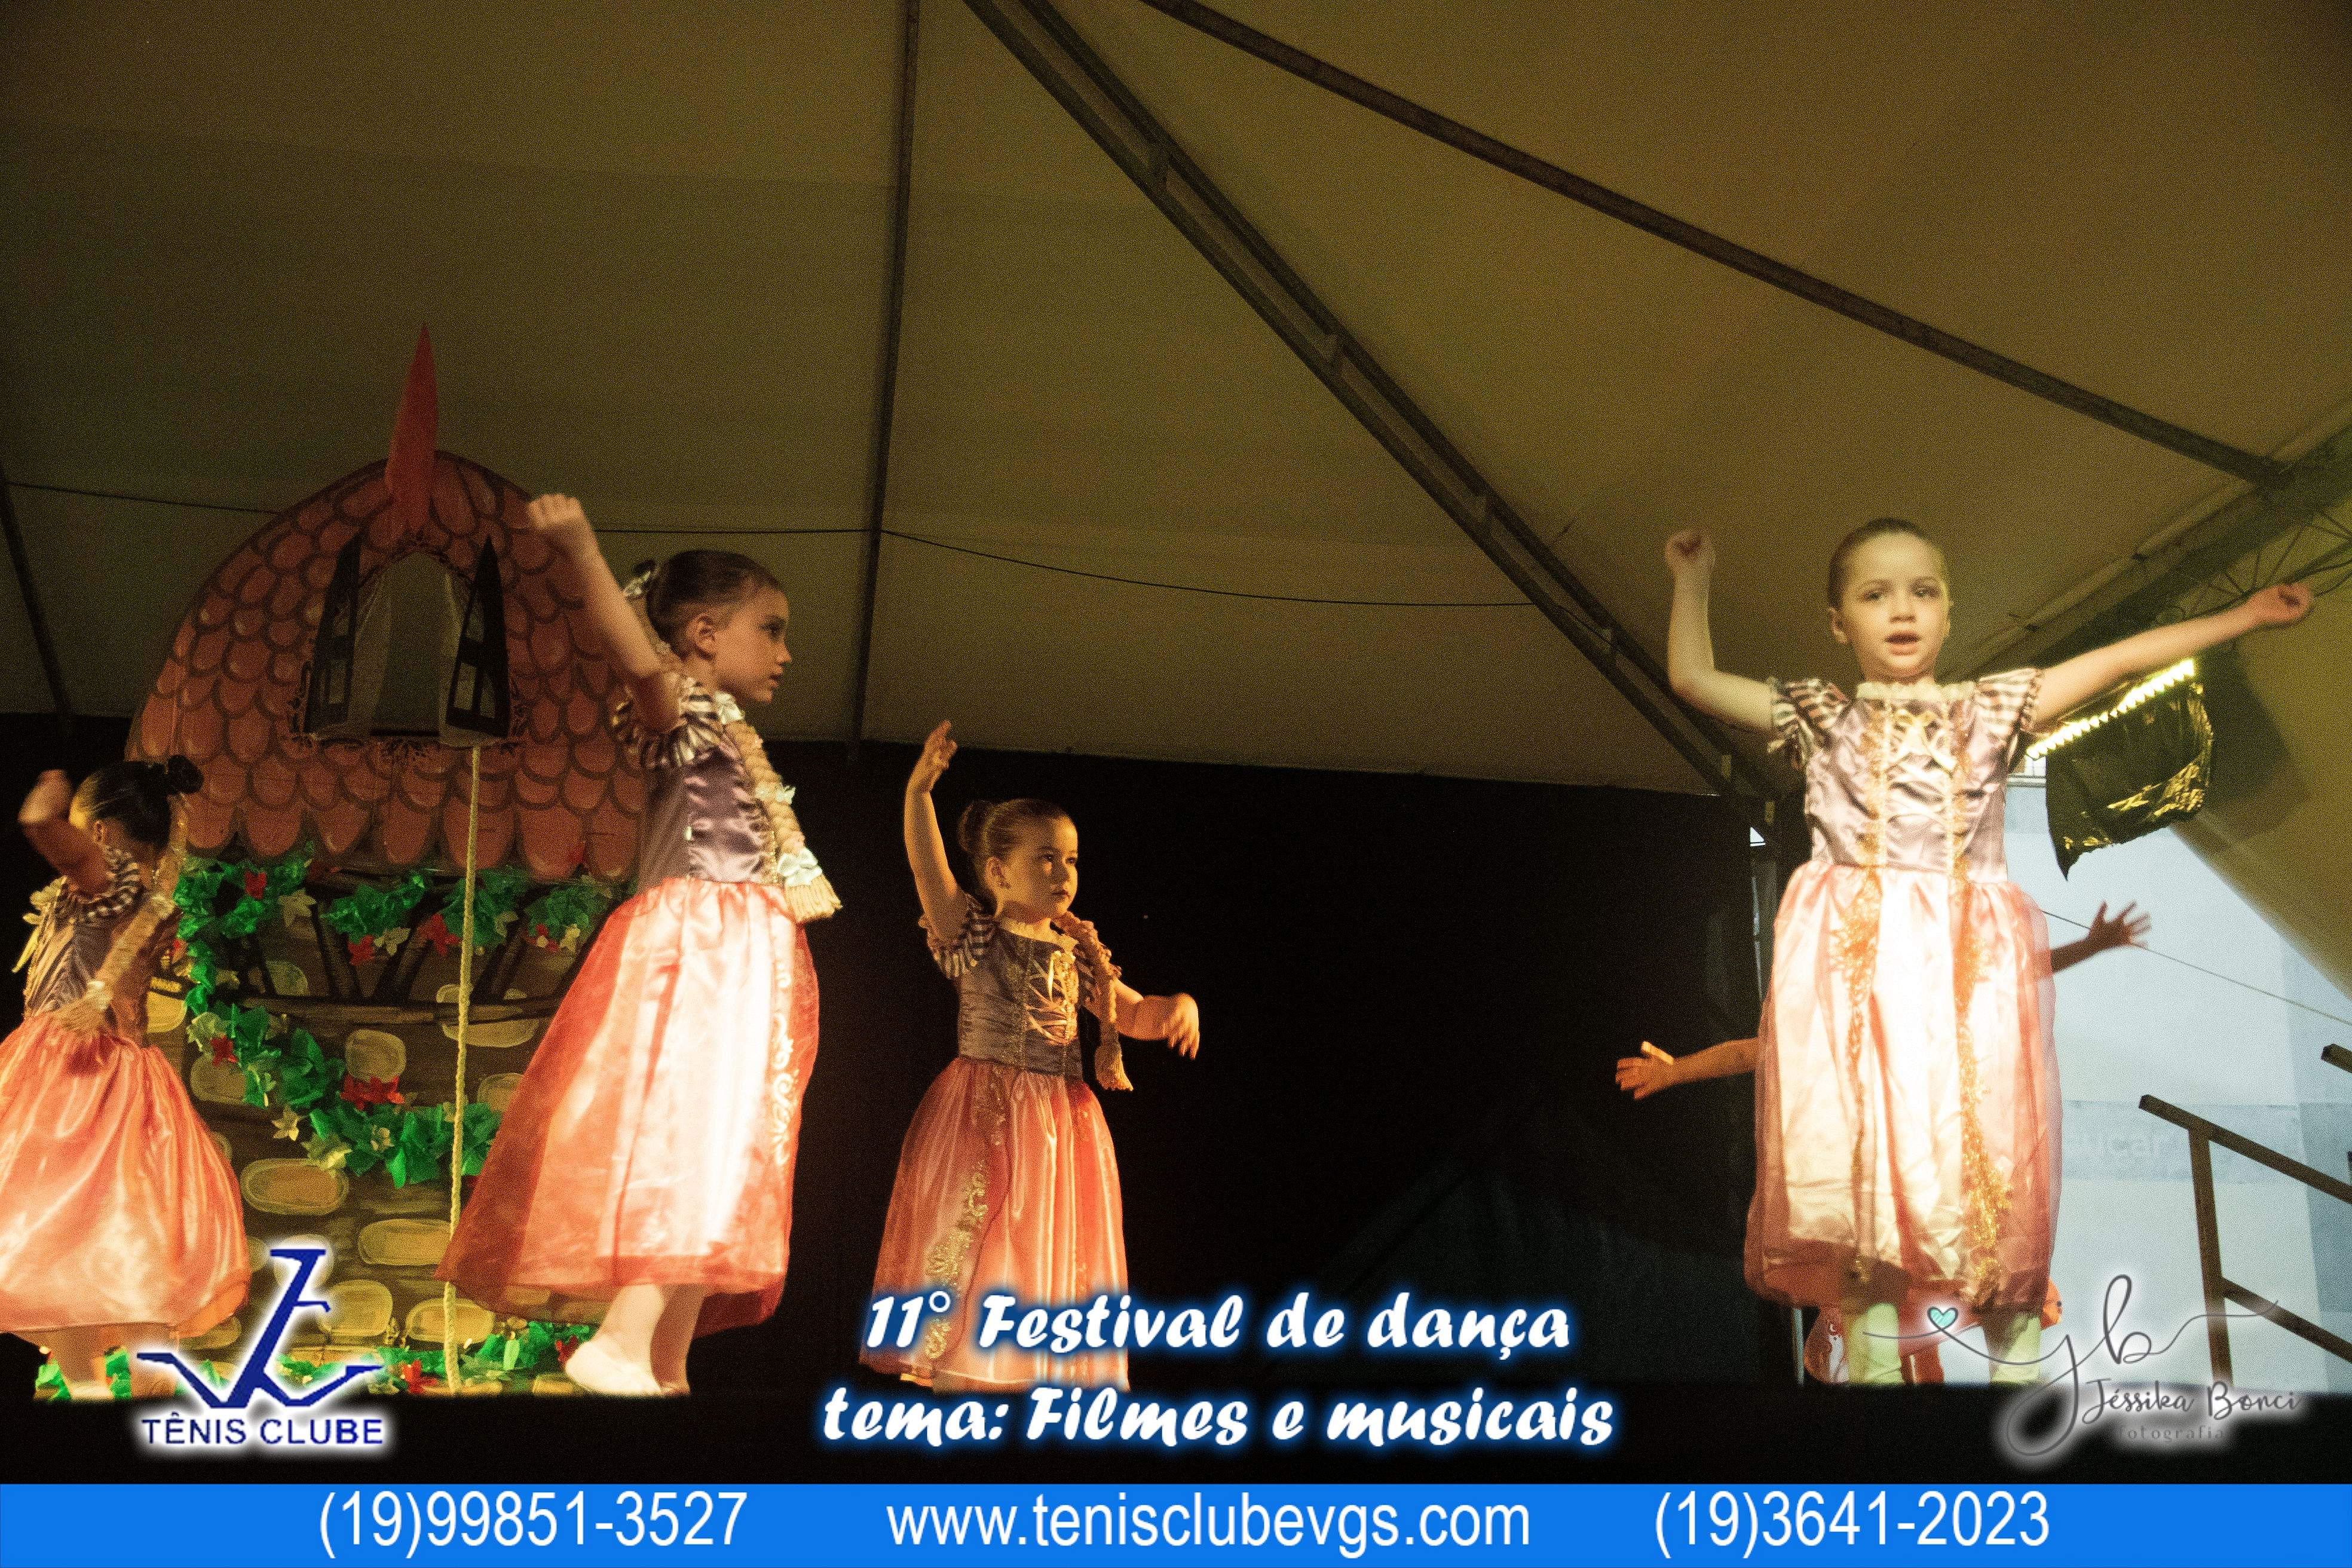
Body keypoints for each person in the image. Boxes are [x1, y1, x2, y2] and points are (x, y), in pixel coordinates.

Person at [1662, 517, 2308, 1383]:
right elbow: (1694, 680)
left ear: (1949, 611)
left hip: (1960, 976)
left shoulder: (1992, 706)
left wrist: (2246, 616)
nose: (1902, 609)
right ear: (1838, 622)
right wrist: (1693, 577)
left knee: (1985, 1175)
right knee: (1867, 1194)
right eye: (1876, 594)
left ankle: (2011, 1397)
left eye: (1922, 591)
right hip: (1858, 977)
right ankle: (1879, 1395)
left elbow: (2118, 660)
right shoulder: (1822, 715)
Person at [439, 497, 837, 1395]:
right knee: (692, 1135)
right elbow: (640, 665)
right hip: (706, 943)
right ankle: (623, 1338)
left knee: (731, 1144)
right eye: (769, 629)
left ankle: (666, 1357)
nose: (785, 652)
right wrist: (582, 547)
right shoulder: (684, 708)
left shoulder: (728, 725)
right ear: (703, 634)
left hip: (746, 947)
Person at [863, 721, 1200, 1390]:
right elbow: (928, 871)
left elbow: (1132, 1012)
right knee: (979, 1245)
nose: (1063, 872)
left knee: (1041, 1250)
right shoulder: (975, 934)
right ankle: (964, 1383)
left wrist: (1178, 1005)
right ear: (997, 871)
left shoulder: (1079, 953)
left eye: (1070, 859)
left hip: (1059, 1125)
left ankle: (1025, 1384)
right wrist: (919, 795)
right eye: (1046, 857)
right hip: (985, 1111)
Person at [1, 758, 245, 1399]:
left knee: (70, 1236)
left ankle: (100, 1394)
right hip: (126, 1074)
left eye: (83, 830)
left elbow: (43, 827)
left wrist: (46, 802)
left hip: (76, 1078)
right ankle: (130, 1397)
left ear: (102, 832)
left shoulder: (108, 874)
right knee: (118, 1242)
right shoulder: (146, 891)